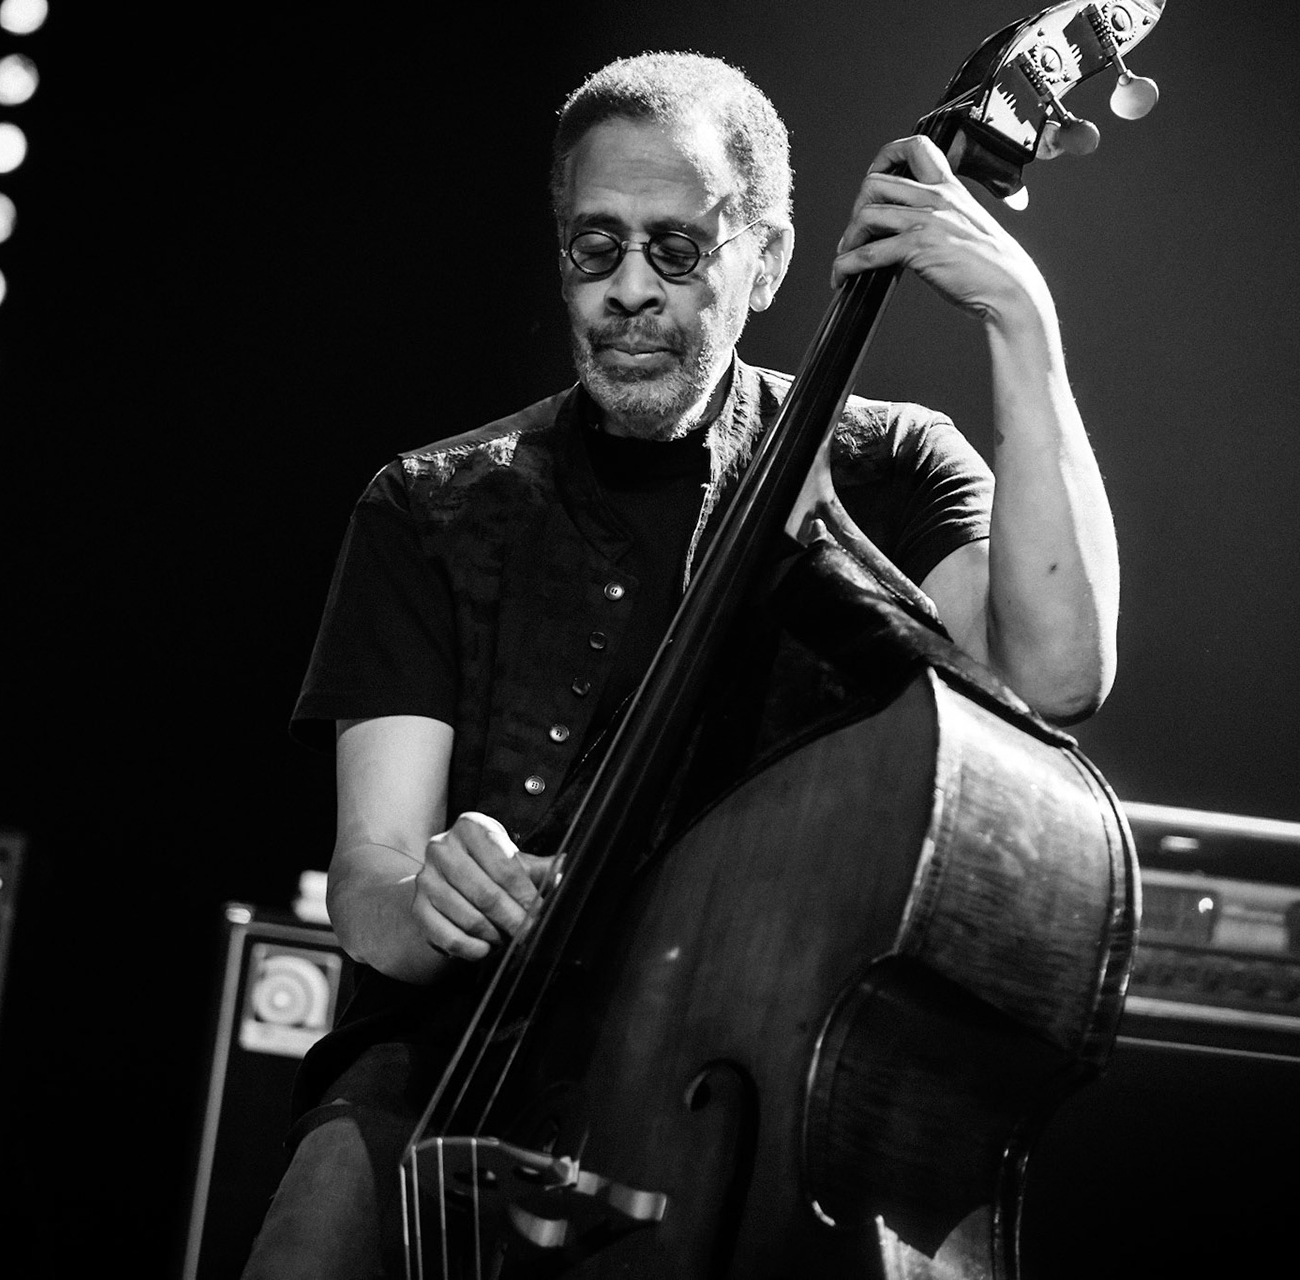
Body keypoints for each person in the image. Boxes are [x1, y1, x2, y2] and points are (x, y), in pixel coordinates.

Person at [245, 50, 1119, 1279]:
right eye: (595, 247)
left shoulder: (889, 468)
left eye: (678, 247)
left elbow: (1059, 673)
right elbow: (369, 882)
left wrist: (1021, 324)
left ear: (765, 258)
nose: (631, 290)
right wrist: (427, 896)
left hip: (753, 1086)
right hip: (461, 1061)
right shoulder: (431, 506)